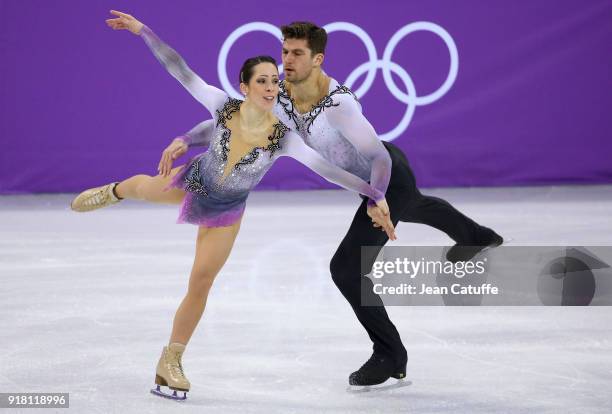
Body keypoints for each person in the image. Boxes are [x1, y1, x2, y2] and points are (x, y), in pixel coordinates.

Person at [154, 21, 504, 388]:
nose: (286, 60)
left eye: (297, 54)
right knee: (415, 205)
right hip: (368, 182)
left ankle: (390, 355)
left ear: (317, 59)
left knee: (347, 268)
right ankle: (477, 236)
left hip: (385, 177)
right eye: (284, 51)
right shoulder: (279, 93)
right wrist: (187, 138)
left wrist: (377, 197)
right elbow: (234, 121)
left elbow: (379, 157)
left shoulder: (340, 106)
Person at [71, 11, 395, 400]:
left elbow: (328, 171)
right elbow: (180, 68)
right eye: (263, 81)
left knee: (201, 281)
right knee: (143, 188)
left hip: (227, 210)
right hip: (194, 183)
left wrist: (374, 195)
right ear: (244, 86)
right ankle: (114, 191)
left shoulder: (284, 137)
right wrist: (143, 31)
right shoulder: (223, 106)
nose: (272, 86)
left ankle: (170, 360)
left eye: (275, 81)